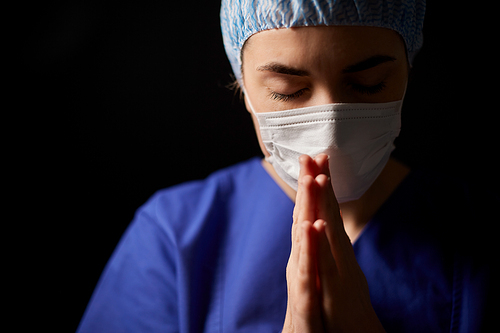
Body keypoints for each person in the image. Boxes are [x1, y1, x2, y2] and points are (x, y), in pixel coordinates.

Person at [77, 1, 492, 332]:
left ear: (407, 71)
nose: (329, 128)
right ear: (244, 89)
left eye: (369, 84)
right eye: (288, 92)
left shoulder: (476, 229)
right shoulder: (174, 236)